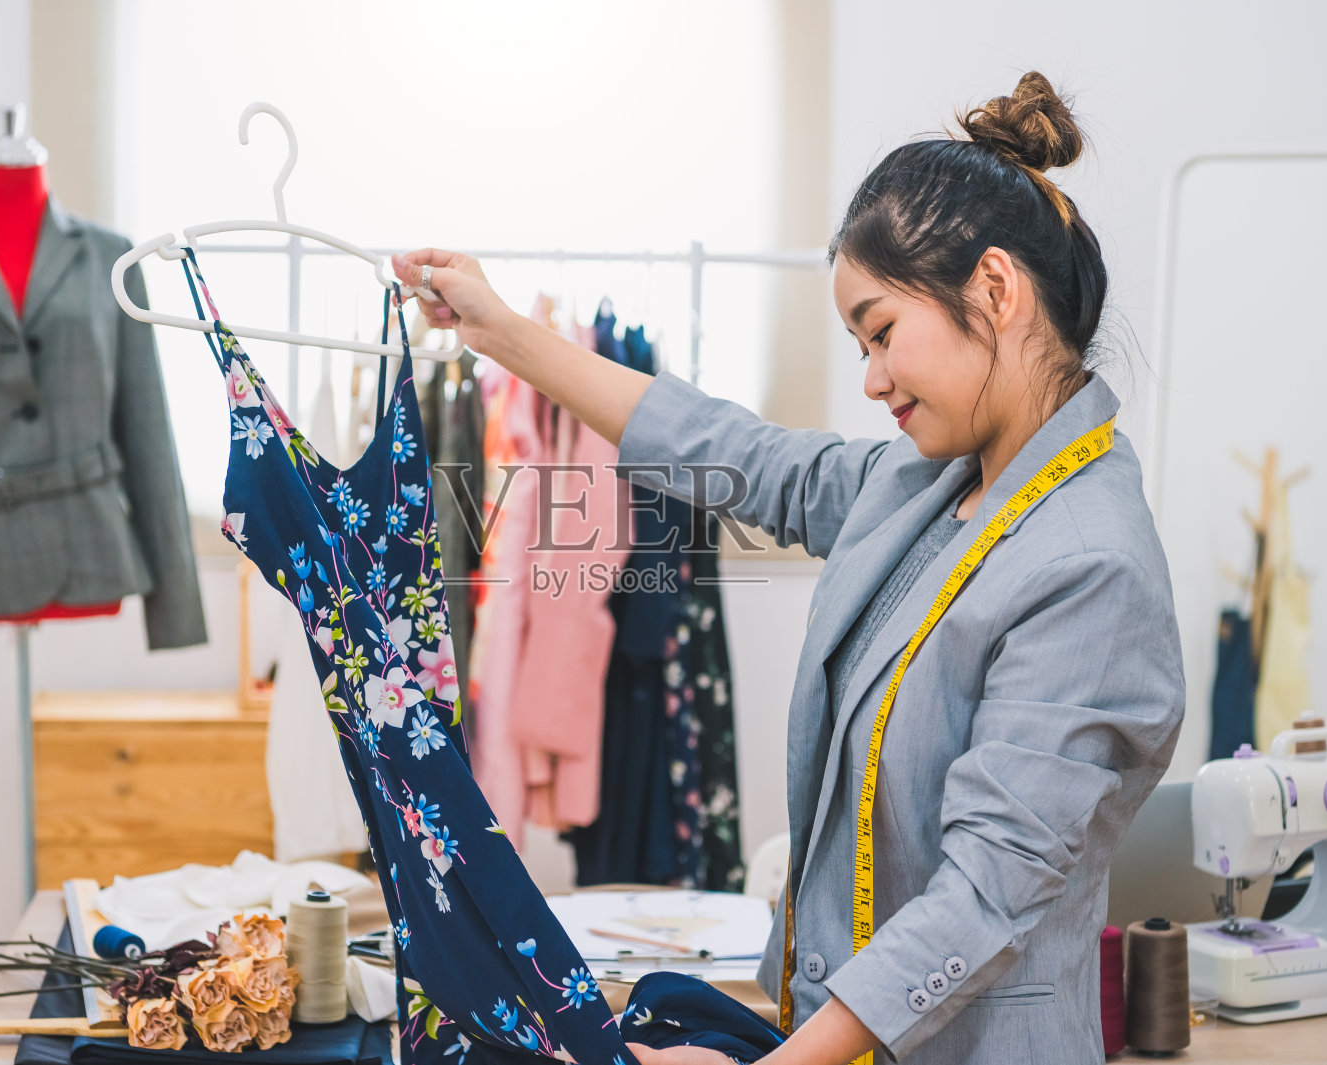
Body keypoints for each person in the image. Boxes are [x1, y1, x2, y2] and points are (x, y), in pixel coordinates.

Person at [391, 71, 1184, 1065]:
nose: (872, 379)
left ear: (993, 289)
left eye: (883, 331)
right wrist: (500, 331)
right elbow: (736, 453)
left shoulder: (1087, 568)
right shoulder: (933, 488)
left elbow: (986, 895)